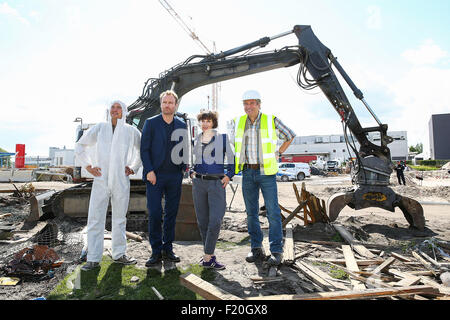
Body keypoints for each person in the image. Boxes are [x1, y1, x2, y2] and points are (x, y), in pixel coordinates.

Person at [75, 100, 142, 271]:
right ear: (109, 111)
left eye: (119, 107)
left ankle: (119, 254)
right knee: (95, 218)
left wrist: (133, 167)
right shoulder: (100, 128)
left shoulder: (131, 131)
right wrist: (89, 166)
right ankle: (93, 258)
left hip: (121, 179)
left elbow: (143, 150)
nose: (115, 110)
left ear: (124, 111)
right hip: (101, 179)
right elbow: (81, 144)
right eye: (113, 107)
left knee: (119, 219)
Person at [231, 90, 295, 266]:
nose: (248, 106)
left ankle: (276, 251)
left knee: (273, 212)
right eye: (246, 103)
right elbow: (234, 145)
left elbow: (290, 135)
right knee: (251, 213)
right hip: (247, 172)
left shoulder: (270, 119)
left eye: (252, 103)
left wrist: (278, 153)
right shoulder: (239, 122)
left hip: (266, 173)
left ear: (259, 104)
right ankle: (256, 249)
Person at [140, 90, 188, 266]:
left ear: (175, 105)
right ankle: (155, 252)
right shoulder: (151, 123)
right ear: (161, 104)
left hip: (174, 175)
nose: (167, 105)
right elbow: (144, 149)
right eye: (165, 102)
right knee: (154, 213)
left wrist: (183, 168)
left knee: (171, 214)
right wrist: (149, 170)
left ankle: (168, 249)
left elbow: (184, 148)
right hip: (155, 176)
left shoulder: (181, 125)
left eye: (171, 102)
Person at [190, 110, 234, 270]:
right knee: (202, 222)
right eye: (203, 121)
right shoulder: (196, 139)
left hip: (217, 184)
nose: (205, 124)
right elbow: (192, 159)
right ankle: (210, 257)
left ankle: (207, 256)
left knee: (215, 220)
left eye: (208, 121)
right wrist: (191, 172)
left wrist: (229, 175)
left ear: (213, 122)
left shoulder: (222, 138)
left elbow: (232, 159)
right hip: (199, 184)